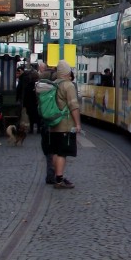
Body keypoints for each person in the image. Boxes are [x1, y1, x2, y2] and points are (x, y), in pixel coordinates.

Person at [47, 60, 81, 189]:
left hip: (52, 124)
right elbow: (73, 106)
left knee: (55, 152)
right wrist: (77, 124)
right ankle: (59, 180)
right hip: (65, 124)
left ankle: (57, 176)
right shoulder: (68, 85)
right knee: (62, 153)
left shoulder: (52, 84)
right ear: (67, 72)